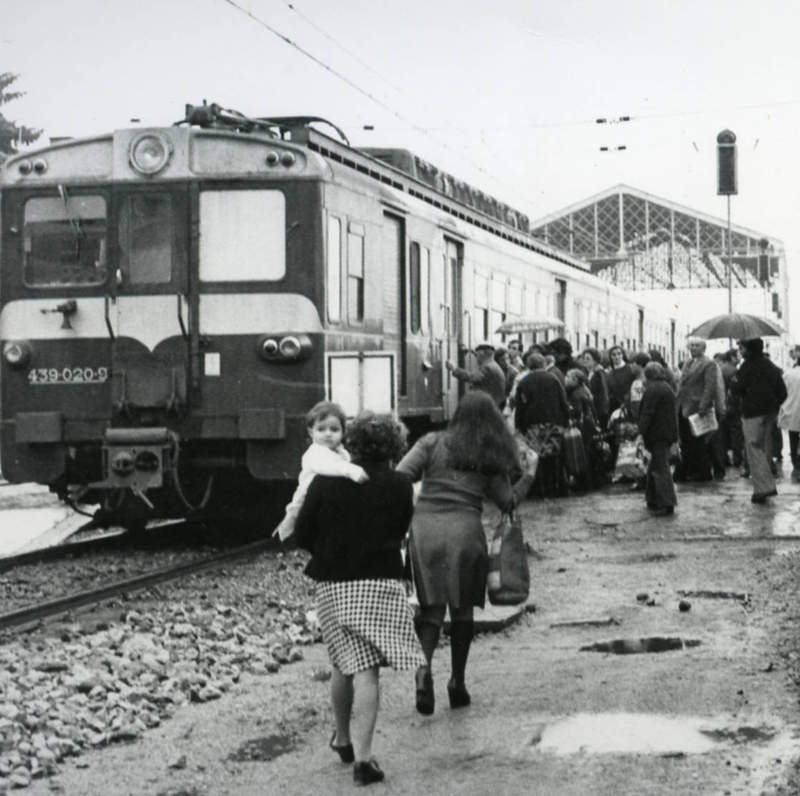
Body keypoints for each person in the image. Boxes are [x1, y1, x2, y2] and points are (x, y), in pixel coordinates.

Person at [294, 411, 423, 786]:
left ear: (352, 442)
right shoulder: (401, 485)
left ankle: (343, 738)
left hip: (334, 584)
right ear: (395, 446)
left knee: (341, 660)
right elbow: (401, 531)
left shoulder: (323, 483)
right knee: (368, 671)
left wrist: (332, 548)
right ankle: (364, 761)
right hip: (381, 583)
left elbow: (302, 534)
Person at [396, 392, 538, 715]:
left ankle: (423, 672)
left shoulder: (432, 442)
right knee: (462, 613)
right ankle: (457, 683)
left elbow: (402, 475)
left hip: (425, 530)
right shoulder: (489, 454)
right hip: (465, 532)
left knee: (431, 611)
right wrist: (529, 474)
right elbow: (507, 503)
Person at [273, 401, 368, 541]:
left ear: (343, 432)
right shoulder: (314, 454)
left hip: (325, 500)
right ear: (311, 432)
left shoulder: (341, 452)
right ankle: (283, 534)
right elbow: (328, 466)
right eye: (321, 429)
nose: (328, 434)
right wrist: (352, 470)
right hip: (306, 500)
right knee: (295, 517)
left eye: (334, 429)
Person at [731, 337, 787, 503]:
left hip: (752, 413)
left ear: (749, 349)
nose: (741, 352)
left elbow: (736, 388)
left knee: (754, 450)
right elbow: (782, 392)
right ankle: (766, 484)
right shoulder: (771, 366)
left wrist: (737, 383)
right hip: (769, 413)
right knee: (765, 449)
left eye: (742, 348)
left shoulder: (747, 367)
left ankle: (763, 488)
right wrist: (774, 406)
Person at [514, 353, 570, 497]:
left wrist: (519, 425)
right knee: (553, 456)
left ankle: (539, 490)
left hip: (533, 425)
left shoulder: (524, 382)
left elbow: (520, 406)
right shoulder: (554, 379)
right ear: (544, 364)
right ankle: (556, 489)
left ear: (529, 365)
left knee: (535, 457)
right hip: (554, 423)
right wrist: (565, 421)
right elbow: (563, 402)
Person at [673, 338, 719, 483]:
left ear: (703, 348)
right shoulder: (687, 362)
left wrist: (703, 406)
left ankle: (702, 472)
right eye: (691, 345)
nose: (693, 348)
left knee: (698, 442)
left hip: (697, 407)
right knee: (686, 441)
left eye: (697, 345)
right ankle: (689, 470)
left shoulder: (709, 363)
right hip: (683, 406)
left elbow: (710, 386)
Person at [638, 362, 678, 516]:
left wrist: (640, 432)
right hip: (665, 433)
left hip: (657, 434)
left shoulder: (652, 389)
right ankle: (653, 499)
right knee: (656, 466)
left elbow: (647, 413)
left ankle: (666, 502)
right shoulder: (666, 387)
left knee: (660, 468)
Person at [446, 341, 506, 408]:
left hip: (490, 405)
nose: (476, 358)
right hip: (495, 402)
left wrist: (454, 369)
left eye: (476, 355)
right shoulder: (494, 365)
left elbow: (471, 377)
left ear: (482, 354)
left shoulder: (488, 367)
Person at [779, 346, 800, 482]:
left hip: (793, 410)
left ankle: (796, 463)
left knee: (793, 436)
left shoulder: (789, 374)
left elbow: (781, 392)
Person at [581, 347, 610, 431]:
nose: (585, 361)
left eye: (588, 358)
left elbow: (604, 394)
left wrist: (601, 412)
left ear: (595, 361)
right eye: (584, 358)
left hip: (599, 411)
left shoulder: (599, 374)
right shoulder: (589, 373)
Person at [606, 346, 636, 414]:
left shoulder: (630, 369)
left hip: (629, 405)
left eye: (619, 354)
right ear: (610, 357)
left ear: (623, 355)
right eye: (614, 355)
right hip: (615, 407)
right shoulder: (610, 373)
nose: (617, 357)